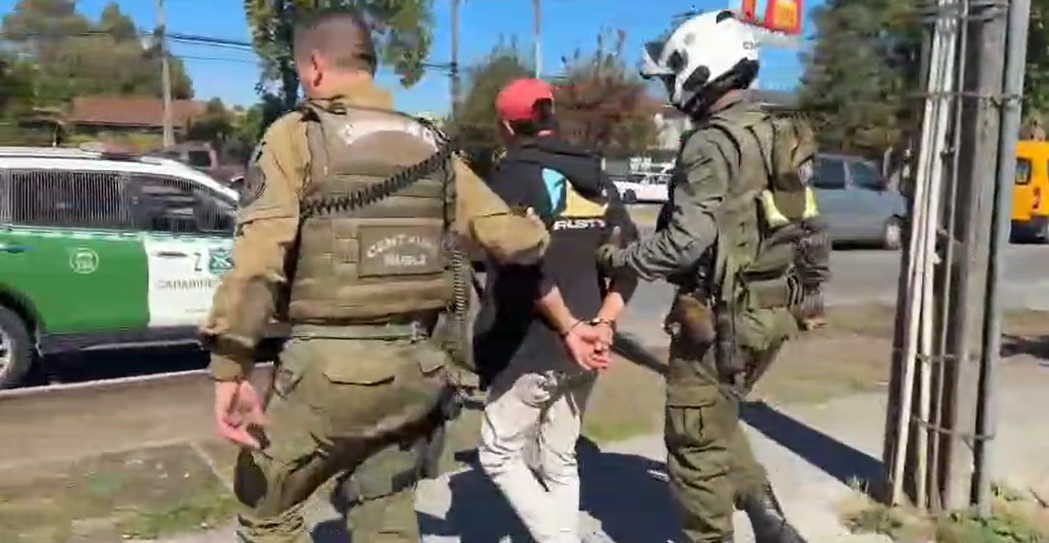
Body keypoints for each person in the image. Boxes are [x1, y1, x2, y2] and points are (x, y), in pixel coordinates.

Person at [198, 10, 603, 543]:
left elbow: (257, 261)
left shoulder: (296, 136)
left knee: (263, 505)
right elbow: (514, 239)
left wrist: (230, 367)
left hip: (327, 373)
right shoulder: (429, 143)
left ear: (314, 66)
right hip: (418, 372)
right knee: (384, 506)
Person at [597, 10, 815, 543]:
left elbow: (683, 243)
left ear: (701, 70)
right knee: (717, 414)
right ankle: (769, 518)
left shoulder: (711, 143)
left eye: (673, 76)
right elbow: (805, 224)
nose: (670, 88)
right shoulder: (777, 129)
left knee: (693, 441)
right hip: (772, 310)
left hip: (722, 320)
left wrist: (617, 260)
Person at [473, 78, 639, 543]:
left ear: (508, 127)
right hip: (590, 344)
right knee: (559, 457)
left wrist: (569, 327)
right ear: (550, 117)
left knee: (497, 452)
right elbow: (630, 262)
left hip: (537, 345)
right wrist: (604, 322)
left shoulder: (511, 179)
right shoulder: (597, 177)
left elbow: (523, 268)